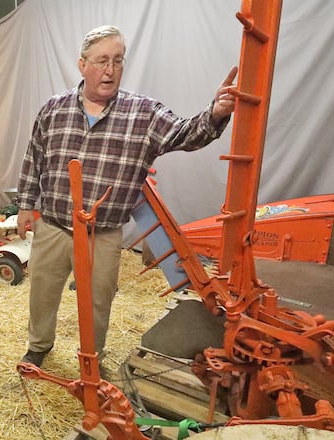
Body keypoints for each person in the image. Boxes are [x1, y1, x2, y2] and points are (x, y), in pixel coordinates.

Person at [16, 25, 237, 368]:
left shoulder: (143, 113)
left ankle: (91, 358)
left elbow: (185, 134)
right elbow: (35, 158)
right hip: (55, 227)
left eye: (117, 61)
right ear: (82, 65)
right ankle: (39, 346)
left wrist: (216, 113)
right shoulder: (53, 110)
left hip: (101, 233)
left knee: (98, 301)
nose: (110, 70)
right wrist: (26, 206)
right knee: (42, 293)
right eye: (102, 60)